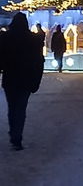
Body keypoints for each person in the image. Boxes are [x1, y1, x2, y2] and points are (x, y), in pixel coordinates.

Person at [0, 13, 44, 151]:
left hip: (10, 78)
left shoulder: (6, 38)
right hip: (26, 79)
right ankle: (17, 136)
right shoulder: (32, 39)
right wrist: (36, 81)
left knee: (12, 108)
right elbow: (39, 61)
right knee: (20, 108)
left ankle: (14, 133)